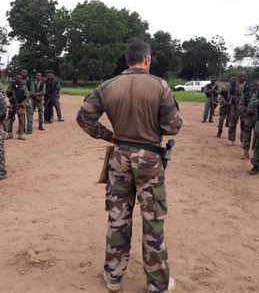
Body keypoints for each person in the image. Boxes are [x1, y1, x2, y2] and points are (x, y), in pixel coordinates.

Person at [76, 40, 182, 293]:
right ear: (147, 59)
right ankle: (157, 284)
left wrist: (109, 136)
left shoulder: (107, 86)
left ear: (127, 60)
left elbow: (83, 117)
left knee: (118, 216)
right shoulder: (160, 86)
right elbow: (172, 127)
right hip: (149, 158)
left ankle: (113, 277)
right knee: (153, 218)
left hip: (120, 155)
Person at [228, 71, 252, 150]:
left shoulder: (248, 86)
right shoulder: (234, 84)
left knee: (243, 124)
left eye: (243, 76)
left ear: (246, 77)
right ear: (238, 76)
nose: (241, 77)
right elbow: (230, 93)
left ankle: (242, 141)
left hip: (243, 107)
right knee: (232, 123)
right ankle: (231, 139)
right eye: (240, 76)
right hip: (234, 105)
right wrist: (231, 100)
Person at [240, 80, 259, 159]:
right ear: (252, 86)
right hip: (248, 118)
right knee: (246, 136)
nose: (257, 87)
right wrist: (247, 109)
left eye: (258, 85)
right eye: (255, 85)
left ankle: (256, 153)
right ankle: (246, 152)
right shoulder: (246, 95)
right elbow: (240, 106)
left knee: (257, 137)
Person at [5, 74, 29, 140]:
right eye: (18, 78)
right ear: (15, 79)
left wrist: (22, 104)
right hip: (12, 104)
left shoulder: (24, 86)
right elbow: (7, 94)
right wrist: (10, 97)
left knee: (21, 119)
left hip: (21, 105)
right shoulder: (11, 86)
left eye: (20, 78)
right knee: (10, 118)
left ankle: (20, 134)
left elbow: (27, 96)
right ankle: (9, 133)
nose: (19, 79)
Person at [20, 68, 33, 134]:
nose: (24, 73)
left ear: (27, 73)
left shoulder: (29, 81)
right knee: (21, 115)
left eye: (25, 72)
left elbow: (32, 91)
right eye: (23, 72)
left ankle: (29, 129)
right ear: (21, 73)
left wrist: (26, 94)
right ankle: (22, 129)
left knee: (29, 115)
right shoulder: (18, 80)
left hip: (28, 100)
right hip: (20, 100)